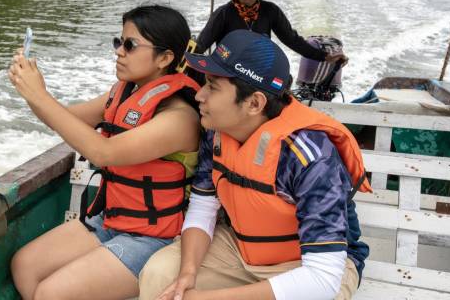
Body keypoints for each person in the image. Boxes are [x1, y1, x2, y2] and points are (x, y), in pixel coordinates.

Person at [138, 29, 371, 300]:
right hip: (240, 248)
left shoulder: (310, 156)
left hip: (309, 265)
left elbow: (321, 279)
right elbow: (203, 207)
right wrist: (187, 273)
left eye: (213, 86)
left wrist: (201, 298)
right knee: (160, 275)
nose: (199, 96)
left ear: (254, 103)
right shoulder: (216, 132)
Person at [9, 5, 202, 300]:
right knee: (25, 266)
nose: (119, 52)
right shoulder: (124, 93)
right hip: (111, 220)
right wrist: (32, 90)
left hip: (155, 238)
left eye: (130, 45)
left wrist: (40, 96)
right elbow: (66, 119)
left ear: (165, 58)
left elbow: (104, 152)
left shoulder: (179, 116)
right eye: (119, 42)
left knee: (51, 293)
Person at [195, 0, 347, 64]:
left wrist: (325, 56)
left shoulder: (270, 11)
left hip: (257, 67)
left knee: (285, 82)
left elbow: (292, 40)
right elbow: (200, 45)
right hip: (226, 66)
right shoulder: (223, 13)